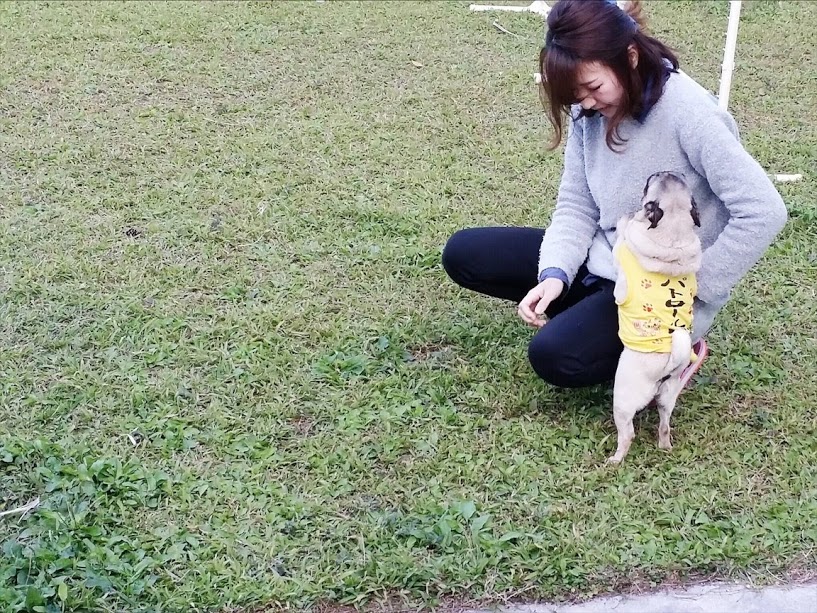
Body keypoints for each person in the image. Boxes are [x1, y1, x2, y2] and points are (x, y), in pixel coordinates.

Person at [442, 0, 787, 389]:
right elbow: (576, 204)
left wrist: (691, 289)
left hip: (662, 289)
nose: (586, 103)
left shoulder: (690, 113)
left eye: (593, 88)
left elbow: (764, 210)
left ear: (631, 57)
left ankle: (675, 350)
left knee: (555, 357)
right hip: (607, 258)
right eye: (575, 95)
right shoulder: (588, 111)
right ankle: (591, 311)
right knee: (464, 253)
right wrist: (555, 274)